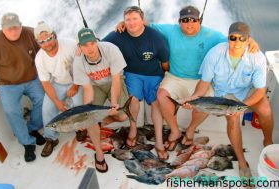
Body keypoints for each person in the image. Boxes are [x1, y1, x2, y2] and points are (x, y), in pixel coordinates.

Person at [138, 5, 259, 150]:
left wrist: (251, 41)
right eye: (185, 20)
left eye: (193, 20)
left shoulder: (212, 35)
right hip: (175, 77)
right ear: (179, 22)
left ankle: (190, 130)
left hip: (201, 80)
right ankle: (175, 131)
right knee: (161, 95)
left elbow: (234, 40)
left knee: (207, 103)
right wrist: (123, 23)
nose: (189, 23)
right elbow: (145, 24)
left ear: (200, 20)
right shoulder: (170, 30)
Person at [184, 21, 273, 179]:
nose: (237, 42)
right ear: (228, 38)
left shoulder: (257, 56)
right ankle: (241, 161)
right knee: (216, 111)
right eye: (233, 38)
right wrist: (195, 97)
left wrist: (239, 107)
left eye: (242, 38)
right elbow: (204, 82)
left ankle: (267, 141)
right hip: (221, 90)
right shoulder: (215, 53)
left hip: (245, 91)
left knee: (264, 108)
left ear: (248, 39)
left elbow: (260, 91)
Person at [103, 6, 170, 161]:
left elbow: (165, 63)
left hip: (154, 74)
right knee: (133, 99)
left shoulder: (156, 38)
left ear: (143, 20)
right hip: (132, 73)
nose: (131, 23)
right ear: (123, 22)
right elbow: (100, 45)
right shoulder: (117, 34)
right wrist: (81, 46)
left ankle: (159, 141)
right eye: (128, 20)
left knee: (156, 103)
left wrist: (164, 78)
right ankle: (133, 130)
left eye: (135, 19)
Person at [0, 13, 45, 162]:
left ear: (21, 25)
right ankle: (27, 142)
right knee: (12, 111)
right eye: (9, 29)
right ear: (2, 29)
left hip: (31, 78)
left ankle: (33, 128)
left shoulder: (30, 33)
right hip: (7, 84)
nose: (13, 31)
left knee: (42, 100)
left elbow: (48, 41)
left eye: (16, 27)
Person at [73, 28, 129, 172]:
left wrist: (114, 103)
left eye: (92, 43)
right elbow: (87, 89)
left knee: (122, 115)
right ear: (79, 47)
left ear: (97, 41)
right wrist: (88, 111)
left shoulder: (111, 50)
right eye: (85, 45)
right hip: (94, 86)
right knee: (91, 118)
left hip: (112, 83)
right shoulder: (78, 62)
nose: (89, 48)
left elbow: (116, 80)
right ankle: (99, 152)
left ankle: (106, 119)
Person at [34, 21, 83, 157]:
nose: (47, 44)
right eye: (42, 42)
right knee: (47, 109)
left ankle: (80, 128)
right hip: (58, 83)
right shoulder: (39, 59)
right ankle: (51, 138)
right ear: (38, 43)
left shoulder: (70, 45)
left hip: (77, 80)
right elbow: (46, 83)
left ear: (54, 35)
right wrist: (57, 102)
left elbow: (81, 67)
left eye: (49, 39)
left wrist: (75, 86)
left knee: (79, 105)